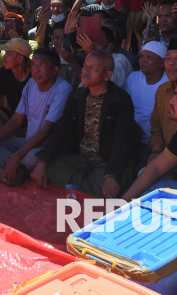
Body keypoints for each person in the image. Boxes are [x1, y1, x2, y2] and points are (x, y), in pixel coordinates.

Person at [36, 51, 140, 198]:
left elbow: (122, 141)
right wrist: (42, 161)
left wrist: (110, 175)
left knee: (120, 178)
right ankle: (90, 184)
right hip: (82, 159)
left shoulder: (121, 100)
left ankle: (79, 184)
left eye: (93, 68)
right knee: (50, 168)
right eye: (85, 65)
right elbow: (61, 131)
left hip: (107, 161)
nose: (85, 70)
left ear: (107, 75)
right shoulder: (76, 97)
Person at [0, 49, 71, 186]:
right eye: (33, 65)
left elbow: (46, 130)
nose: (36, 70)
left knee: (30, 159)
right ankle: (18, 167)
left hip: (47, 147)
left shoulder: (62, 89)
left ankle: (17, 165)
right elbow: (15, 120)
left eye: (41, 65)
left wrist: (16, 156)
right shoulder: (31, 84)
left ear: (55, 70)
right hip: (28, 142)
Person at [123, 41, 168, 145]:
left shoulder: (168, 83)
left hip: (157, 141)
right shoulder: (133, 78)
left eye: (149, 57)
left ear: (162, 62)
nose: (143, 61)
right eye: (141, 56)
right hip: (131, 136)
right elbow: (124, 108)